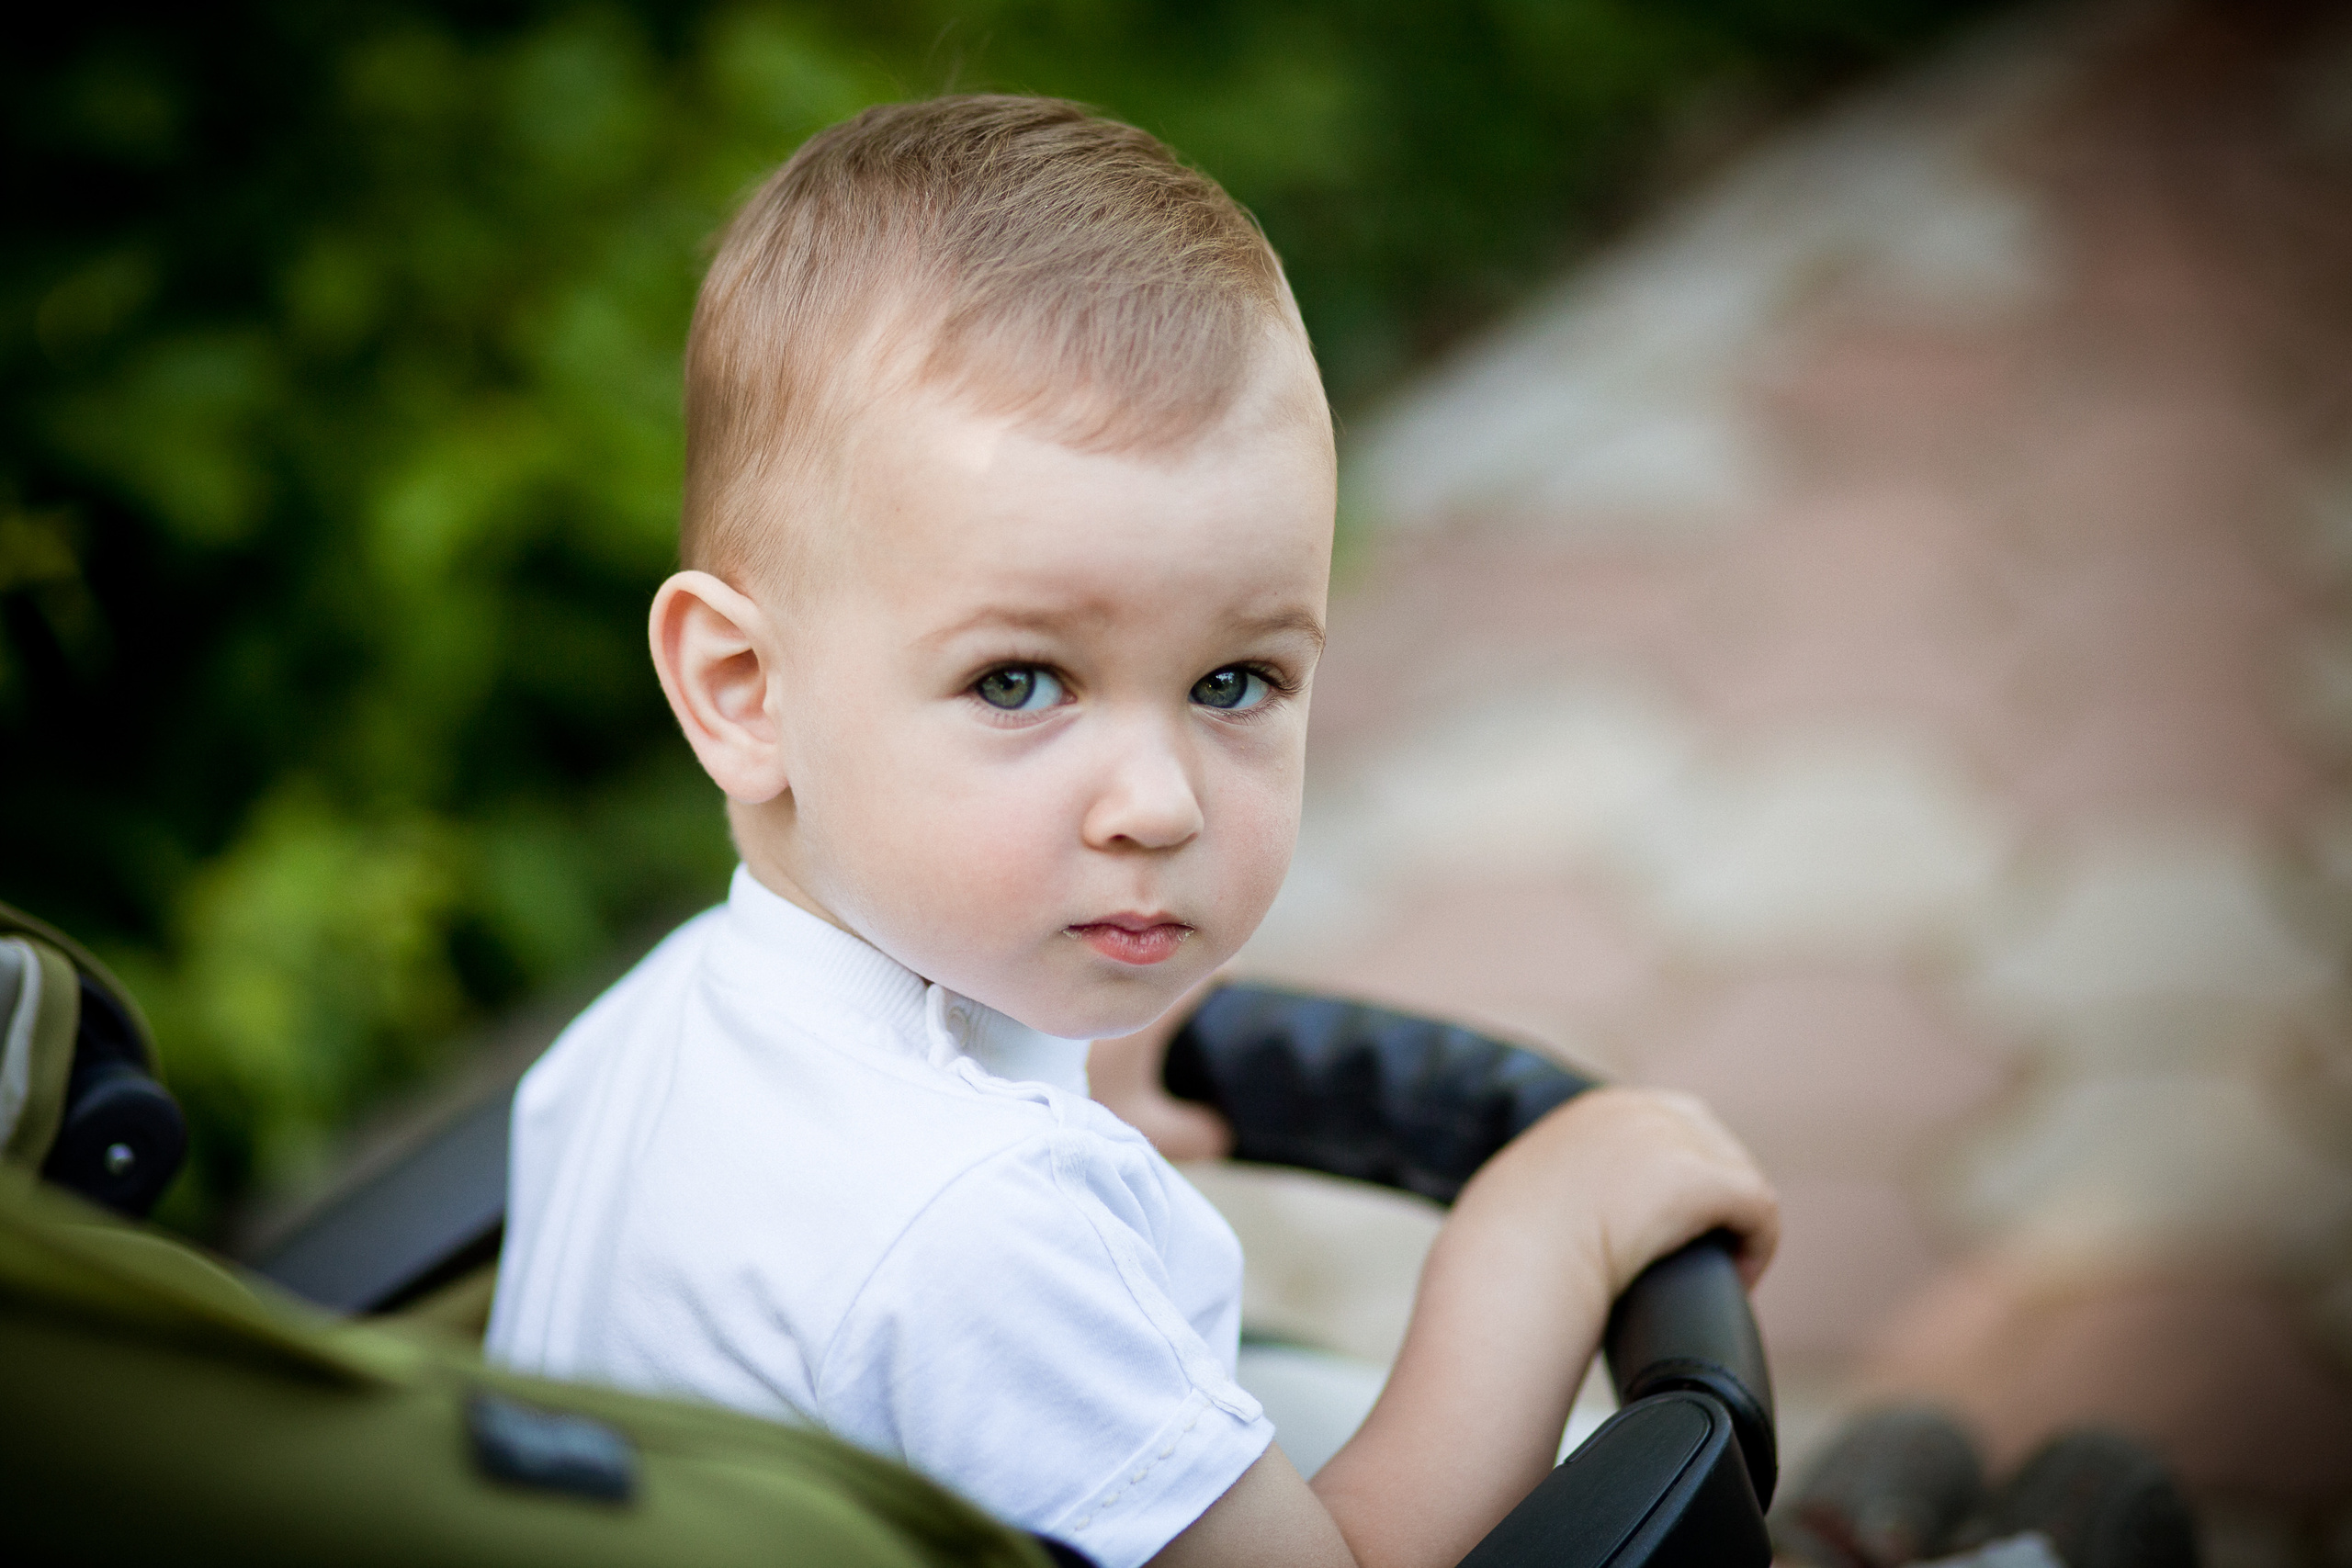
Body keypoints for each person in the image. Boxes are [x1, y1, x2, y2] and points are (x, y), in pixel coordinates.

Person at [485, 95, 1780, 1568]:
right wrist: (1541, 1234)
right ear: (743, 691)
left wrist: (1057, 1076)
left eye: (1235, 682)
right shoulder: (980, 1233)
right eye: (1019, 682)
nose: (1158, 803)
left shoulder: (648, 1034)